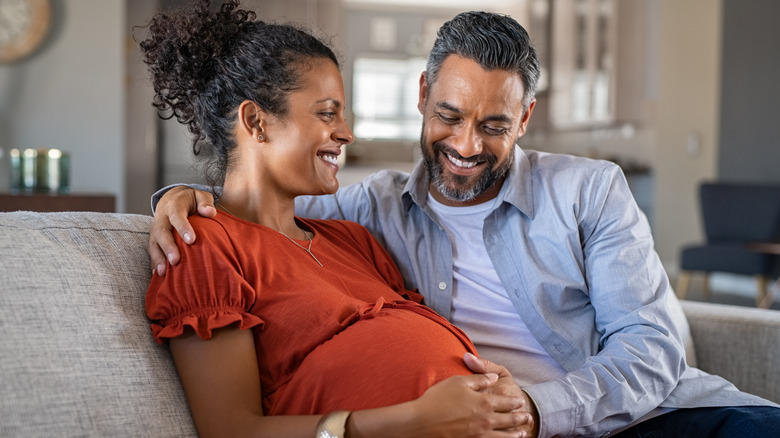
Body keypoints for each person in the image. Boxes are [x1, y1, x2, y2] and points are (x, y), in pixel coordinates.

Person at [149, 8, 780, 438]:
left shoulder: (589, 192)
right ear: (422, 93)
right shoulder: (370, 210)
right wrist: (175, 197)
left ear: (526, 117)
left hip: (639, 420)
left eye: (495, 125)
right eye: (449, 114)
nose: (467, 144)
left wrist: (536, 411)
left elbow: (651, 350)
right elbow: (253, 215)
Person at [140, 2, 534, 437]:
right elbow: (231, 431)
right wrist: (416, 420)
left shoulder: (352, 239)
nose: (346, 133)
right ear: (256, 121)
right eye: (327, 113)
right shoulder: (205, 247)